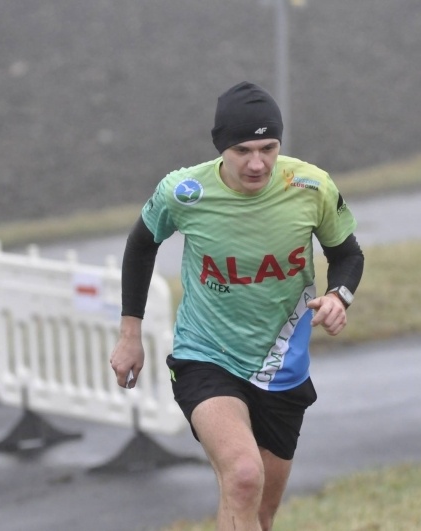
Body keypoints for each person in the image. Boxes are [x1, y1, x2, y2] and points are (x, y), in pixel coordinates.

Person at [109, 81, 364, 531]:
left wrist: (338, 296)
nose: (257, 163)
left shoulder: (310, 186)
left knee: (260, 513)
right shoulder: (184, 192)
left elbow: (347, 255)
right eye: (243, 150)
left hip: (282, 365)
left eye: (268, 148)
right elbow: (140, 246)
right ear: (220, 148)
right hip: (206, 357)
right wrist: (130, 335)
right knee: (244, 476)